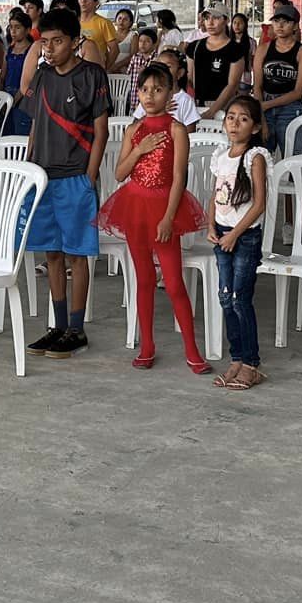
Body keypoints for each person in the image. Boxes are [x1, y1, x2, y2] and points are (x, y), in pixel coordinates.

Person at [100, 60, 207, 373]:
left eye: (158, 90)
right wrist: (139, 149)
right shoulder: (134, 130)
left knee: (173, 283)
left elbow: (179, 177)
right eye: (145, 89)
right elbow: (120, 173)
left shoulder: (176, 129)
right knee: (144, 279)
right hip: (134, 206)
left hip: (164, 208)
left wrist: (169, 218)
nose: (150, 96)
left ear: (170, 93)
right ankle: (147, 345)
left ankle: (192, 349)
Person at [19, 8, 110, 357]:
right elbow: (34, 126)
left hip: (76, 177)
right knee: (52, 253)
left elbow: (101, 132)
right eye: (45, 42)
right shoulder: (42, 76)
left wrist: (89, 177)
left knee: (77, 255)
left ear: (75, 42)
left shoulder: (92, 75)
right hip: (43, 177)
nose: (50, 49)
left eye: (57, 41)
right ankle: (57, 326)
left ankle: (76, 328)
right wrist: (30, 169)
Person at [209, 94, 272, 390]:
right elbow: (215, 195)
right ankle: (236, 358)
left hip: (244, 236)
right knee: (225, 297)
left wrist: (234, 234)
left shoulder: (254, 157)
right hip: (222, 234)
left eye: (243, 119)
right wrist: (211, 226)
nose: (235, 123)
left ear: (255, 127)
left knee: (239, 298)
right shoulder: (221, 155)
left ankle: (251, 363)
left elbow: (259, 204)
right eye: (231, 117)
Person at [253, 0, 302, 156]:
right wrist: (261, 113)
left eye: (286, 22)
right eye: (276, 21)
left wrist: (267, 105)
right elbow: (257, 85)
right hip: (264, 103)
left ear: (295, 26)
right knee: (259, 156)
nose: (280, 25)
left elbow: (298, 92)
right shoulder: (263, 49)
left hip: (290, 108)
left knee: (295, 158)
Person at [188, 8, 246, 122]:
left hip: (225, 107)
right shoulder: (194, 47)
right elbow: (189, 78)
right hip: (197, 104)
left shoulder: (235, 49)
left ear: (226, 20)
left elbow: (232, 85)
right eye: (207, 18)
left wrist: (212, 111)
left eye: (216, 18)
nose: (210, 22)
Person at [0, 9, 34, 137]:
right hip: (7, 94)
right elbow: (2, 76)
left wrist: (14, 100)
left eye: (18, 27)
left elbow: (29, 80)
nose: (13, 31)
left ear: (28, 30)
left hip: (24, 98)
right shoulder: (9, 50)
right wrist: (2, 97)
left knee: (21, 134)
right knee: (6, 133)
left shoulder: (32, 51)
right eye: (11, 27)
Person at [76, 0, 116, 65]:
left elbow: (114, 50)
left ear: (96, 3)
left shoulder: (104, 23)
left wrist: (105, 68)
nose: (83, 1)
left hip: (95, 67)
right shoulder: (73, 22)